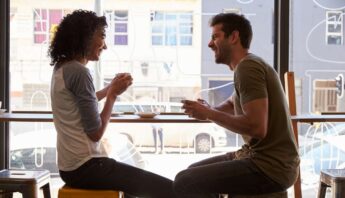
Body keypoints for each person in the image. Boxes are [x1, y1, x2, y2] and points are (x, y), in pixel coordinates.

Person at [49, 10, 175, 198]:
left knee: (133, 189)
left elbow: (82, 101)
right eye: (102, 36)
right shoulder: (80, 73)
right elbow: (95, 133)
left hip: (69, 168)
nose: (105, 45)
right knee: (168, 188)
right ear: (85, 36)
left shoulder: (62, 67)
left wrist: (109, 88)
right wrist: (113, 95)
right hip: (88, 167)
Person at [173, 13, 300, 197]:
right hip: (259, 158)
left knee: (185, 181)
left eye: (215, 37)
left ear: (233, 37)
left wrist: (209, 113)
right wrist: (208, 109)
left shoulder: (247, 68)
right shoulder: (248, 65)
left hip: (271, 167)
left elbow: (257, 127)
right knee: (191, 172)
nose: (210, 44)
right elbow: (233, 103)